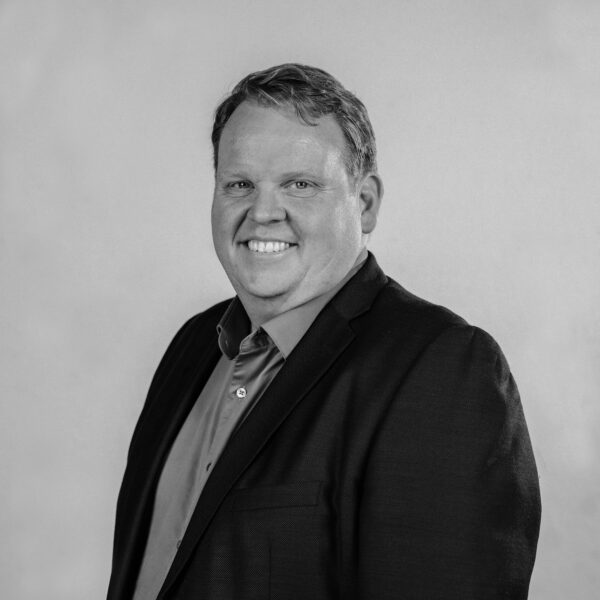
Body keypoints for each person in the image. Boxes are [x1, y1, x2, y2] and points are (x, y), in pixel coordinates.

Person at [107, 63, 541, 600]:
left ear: (365, 203)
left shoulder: (441, 369)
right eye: (240, 184)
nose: (263, 212)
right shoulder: (193, 346)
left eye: (301, 184)